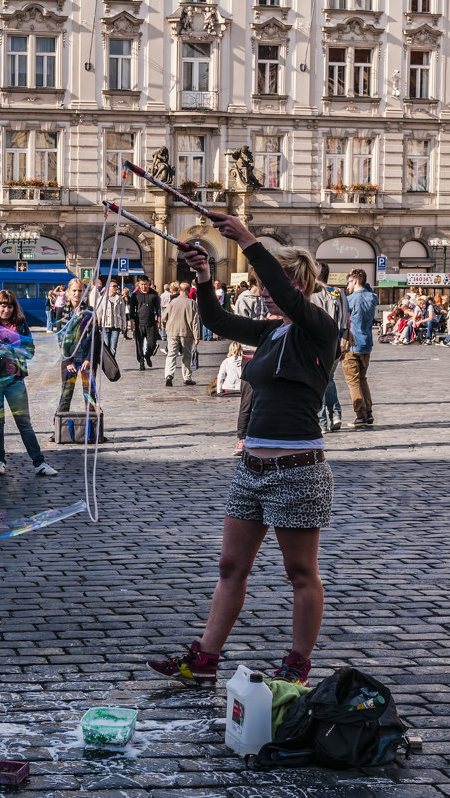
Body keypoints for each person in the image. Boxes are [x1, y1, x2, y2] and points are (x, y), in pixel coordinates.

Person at [148, 211, 337, 687]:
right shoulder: (270, 331)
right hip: (251, 467)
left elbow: (288, 293)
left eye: (275, 285)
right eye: (262, 285)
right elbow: (215, 318)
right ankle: (205, 660)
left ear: (301, 286)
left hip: (297, 469)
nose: (265, 290)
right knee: (231, 566)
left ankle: (297, 663)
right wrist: (205, 277)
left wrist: (249, 239)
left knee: (300, 572)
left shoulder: (318, 328)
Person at [0, 290, 57, 477]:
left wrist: (15, 350)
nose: (6, 309)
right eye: (3, 305)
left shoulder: (21, 325)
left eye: (10, 306)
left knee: (24, 423)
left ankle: (39, 463)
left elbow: (30, 351)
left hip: (15, 380)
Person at [309, 265, 348, 432]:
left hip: (316, 343)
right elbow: (345, 320)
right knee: (329, 378)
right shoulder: (338, 292)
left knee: (317, 380)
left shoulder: (311, 293)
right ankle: (336, 414)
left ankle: (322, 421)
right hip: (336, 343)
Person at [52, 279, 97, 417]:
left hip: (86, 358)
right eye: (74, 290)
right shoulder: (61, 311)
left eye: (80, 291)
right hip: (68, 358)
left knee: (89, 394)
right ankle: (60, 426)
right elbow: (61, 338)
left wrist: (88, 358)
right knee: (66, 393)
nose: (77, 293)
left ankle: (92, 428)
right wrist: (68, 361)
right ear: (68, 292)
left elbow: (93, 337)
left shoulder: (89, 311)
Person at [342, 269, 377, 427]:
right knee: (362, 379)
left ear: (355, 281)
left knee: (353, 382)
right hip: (367, 344)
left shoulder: (349, 300)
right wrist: (361, 278)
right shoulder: (372, 297)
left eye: (349, 281)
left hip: (352, 344)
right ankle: (368, 412)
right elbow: (367, 288)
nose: (347, 285)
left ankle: (361, 415)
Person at [162, 281, 200, 387]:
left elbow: (164, 317)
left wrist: (167, 328)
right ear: (188, 291)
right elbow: (194, 321)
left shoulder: (173, 302)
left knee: (171, 354)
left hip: (172, 332)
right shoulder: (192, 303)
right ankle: (187, 377)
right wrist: (197, 336)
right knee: (186, 355)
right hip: (186, 332)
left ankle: (169, 375)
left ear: (180, 290)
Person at [128, 278, 161, 370]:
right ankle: (141, 362)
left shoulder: (154, 294)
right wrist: (132, 322)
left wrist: (159, 320)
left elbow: (158, 309)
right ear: (139, 284)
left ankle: (147, 355)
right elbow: (131, 310)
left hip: (151, 323)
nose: (144, 286)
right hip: (139, 323)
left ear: (148, 284)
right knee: (139, 344)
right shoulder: (135, 295)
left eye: (145, 284)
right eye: (142, 284)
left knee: (152, 344)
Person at [94, 279, 125, 357]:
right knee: (106, 347)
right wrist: (98, 326)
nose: (116, 288)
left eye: (116, 286)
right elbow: (99, 314)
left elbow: (122, 314)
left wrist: (124, 326)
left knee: (113, 347)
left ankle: (112, 365)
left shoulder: (120, 299)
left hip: (116, 326)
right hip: (105, 326)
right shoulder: (102, 299)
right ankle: (108, 365)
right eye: (114, 286)